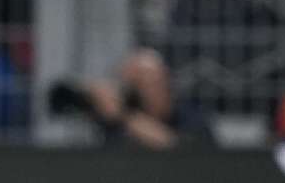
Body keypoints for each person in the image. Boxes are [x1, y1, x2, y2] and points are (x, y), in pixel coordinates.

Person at [49, 48, 208, 149]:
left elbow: (177, 151)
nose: (132, 91)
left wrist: (124, 116)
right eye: (128, 84)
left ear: (163, 83)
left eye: (140, 83)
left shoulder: (191, 118)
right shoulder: (114, 121)